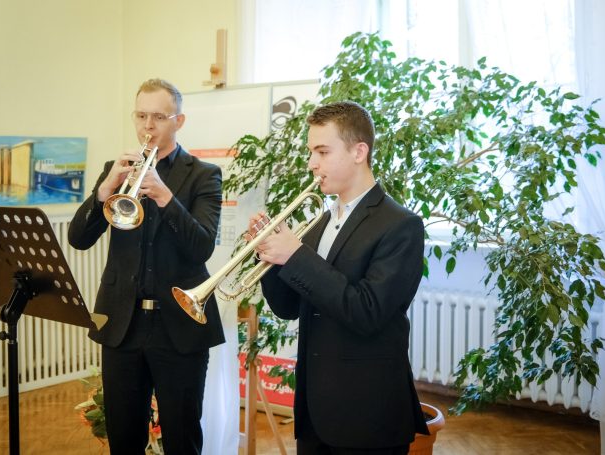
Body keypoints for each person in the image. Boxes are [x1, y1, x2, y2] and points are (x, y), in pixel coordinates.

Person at [247, 101, 429, 454]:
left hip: (367, 412)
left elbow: (367, 312)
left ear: (359, 152)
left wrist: (294, 256)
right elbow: (288, 308)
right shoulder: (320, 221)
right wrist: (269, 255)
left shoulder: (401, 225)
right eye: (311, 152)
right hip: (315, 410)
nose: (311, 163)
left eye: (322, 151)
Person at [69, 78, 225, 454]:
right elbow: (78, 238)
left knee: (182, 436)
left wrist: (166, 196)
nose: (147, 126)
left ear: (179, 121)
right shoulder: (116, 170)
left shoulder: (204, 174)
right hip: (122, 324)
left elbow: (202, 247)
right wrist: (105, 189)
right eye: (141, 116)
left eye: (158, 117)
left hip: (178, 325)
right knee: (123, 436)